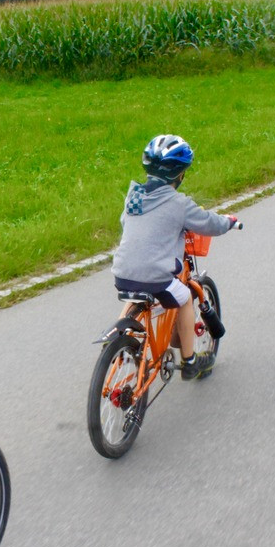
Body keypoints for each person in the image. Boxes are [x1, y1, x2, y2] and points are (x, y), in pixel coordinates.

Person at [110, 134, 239, 381]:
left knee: (135, 294)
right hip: (155, 276)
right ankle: (190, 361)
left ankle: (117, 340)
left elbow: (127, 223)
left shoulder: (133, 196)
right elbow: (209, 223)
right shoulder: (178, 203)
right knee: (183, 299)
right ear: (180, 174)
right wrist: (229, 222)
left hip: (123, 273)